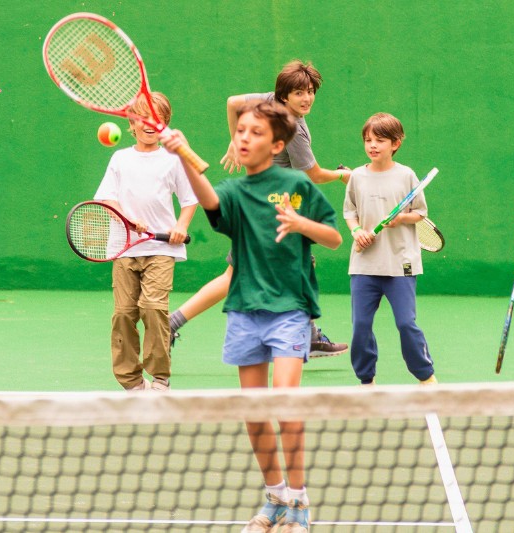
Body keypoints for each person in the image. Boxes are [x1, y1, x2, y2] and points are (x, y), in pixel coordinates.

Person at [164, 100, 342, 533]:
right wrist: (183, 155)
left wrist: (302, 224)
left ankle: (299, 503)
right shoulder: (234, 192)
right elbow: (209, 201)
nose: (244, 137)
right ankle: (275, 498)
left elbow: (335, 237)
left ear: (277, 143)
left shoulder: (297, 186)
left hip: (290, 311)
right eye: (240, 130)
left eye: (255, 132)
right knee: (254, 410)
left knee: (284, 402)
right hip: (244, 311)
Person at [168, 59, 347, 358]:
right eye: (300, 93)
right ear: (285, 95)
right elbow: (314, 175)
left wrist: (236, 140)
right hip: (272, 212)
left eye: (311, 91)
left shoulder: (267, 100)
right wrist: (344, 175)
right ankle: (172, 322)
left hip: (266, 206)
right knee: (236, 276)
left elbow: (233, 102)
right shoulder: (294, 132)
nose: (307, 98)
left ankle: (310, 334)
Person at [93, 93, 198, 392]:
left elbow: (189, 200)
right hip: (124, 249)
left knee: (153, 307)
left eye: (158, 118)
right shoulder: (120, 158)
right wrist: (126, 220)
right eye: (143, 118)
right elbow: (108, 198)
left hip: (161, 249)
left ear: (164, 124)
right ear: (132, 122)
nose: (150, 124)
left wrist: (180, 226)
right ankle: (131, 381)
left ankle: (160, 377)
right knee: (124, 313)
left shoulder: (173, 159)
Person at [344, 113, 437, 386]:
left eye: (380, 140)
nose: (372, 145)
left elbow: (420, 212)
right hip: (364, 265)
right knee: (361, 327)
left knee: (406, 324)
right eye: (368, 140)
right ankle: (366, 380)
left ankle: (426, 377)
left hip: (401, 264)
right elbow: (350, 212)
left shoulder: (406, 175)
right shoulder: (357, 177)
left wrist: (401, 219)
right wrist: (356, 231)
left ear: (395, 143)